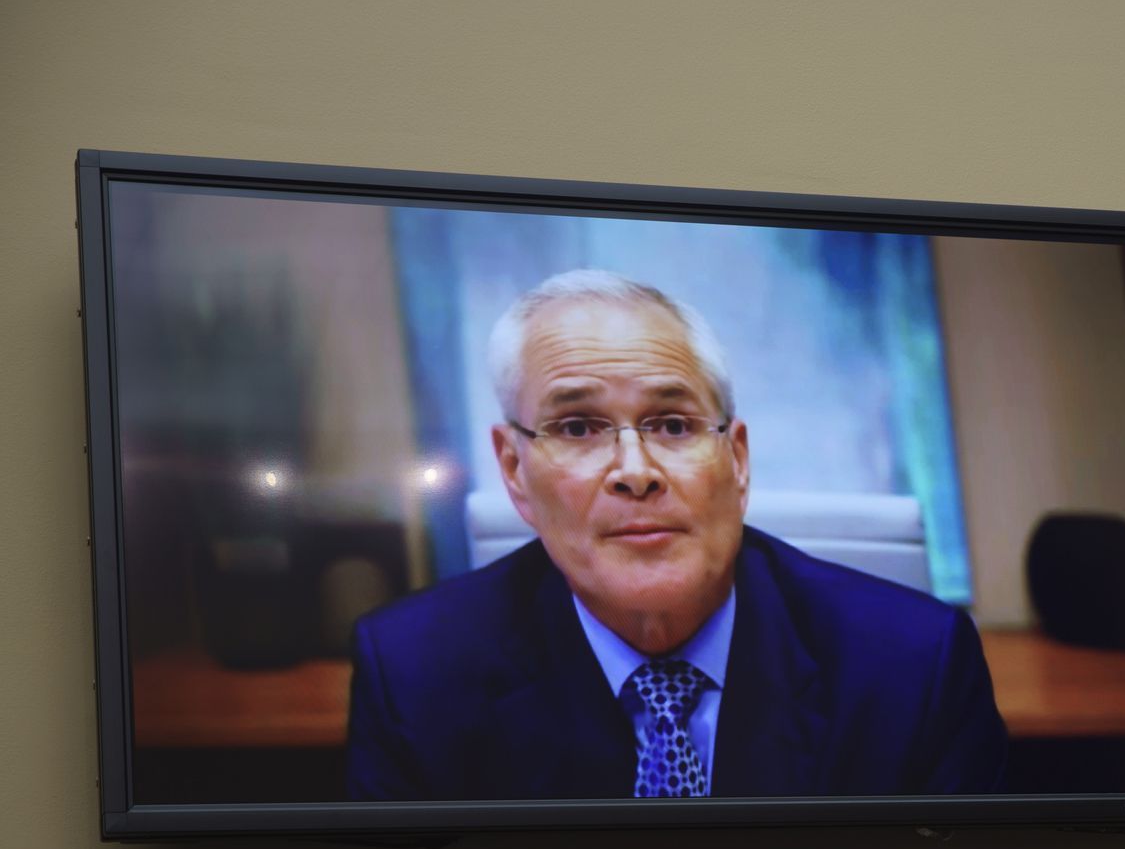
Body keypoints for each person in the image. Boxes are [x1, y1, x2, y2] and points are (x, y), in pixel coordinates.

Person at [347, 269, 1007, 800]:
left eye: (671, 425)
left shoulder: (916, 666)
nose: (635, 473)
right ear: (514, 470)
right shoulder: (413, 672)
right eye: (578, 428)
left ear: (738, 459)